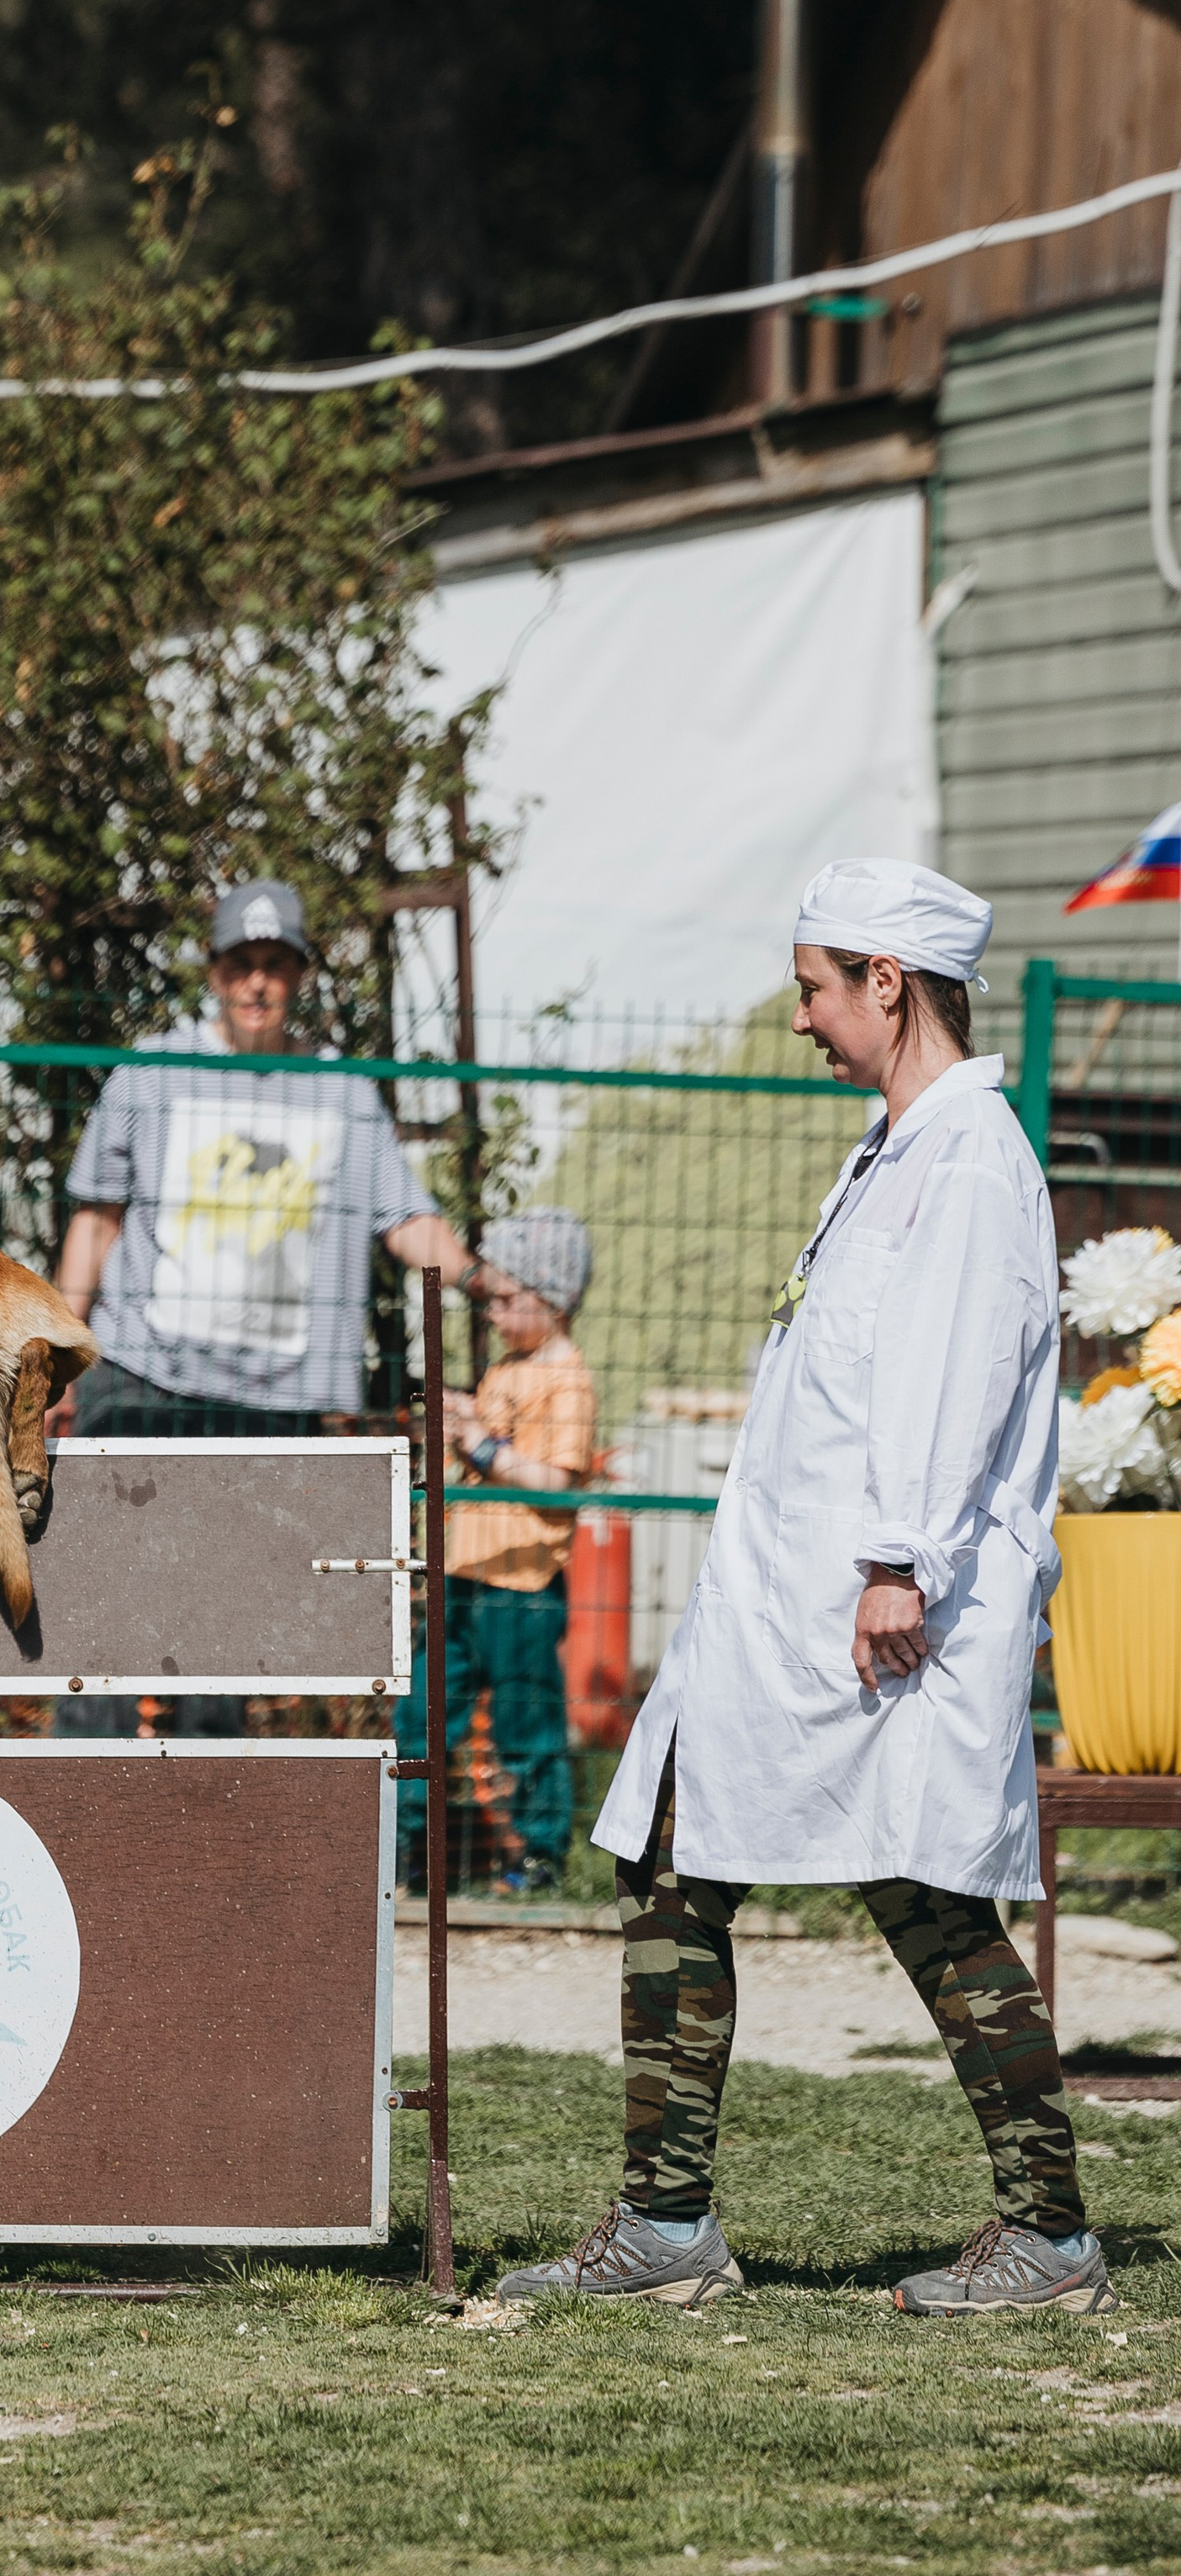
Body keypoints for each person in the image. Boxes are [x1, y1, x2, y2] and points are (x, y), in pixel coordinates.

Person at [502, 857, 1110, 2319]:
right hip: (784, 1604)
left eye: (814, 987)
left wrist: (899, 1561)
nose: (800, 1017)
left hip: (884, 1608)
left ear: (887, 985)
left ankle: (1051, 2238)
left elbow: (950, 1382)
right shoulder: (892, 1151)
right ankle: (664, 2222)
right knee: (671, 1848)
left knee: (929, 1893)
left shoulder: (967, 1165)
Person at [50, 878, 470, 1731]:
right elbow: (95, 1218)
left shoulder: (343, 1094)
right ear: (213, 972)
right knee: (100, 1605)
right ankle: (75, 1817)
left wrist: (478, 1274)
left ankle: (206, 1837)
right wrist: (54, 1356)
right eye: (242, 962)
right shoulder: (150, 1071)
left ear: (299, 977)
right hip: (139, 1376)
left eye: (276, 964)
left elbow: (405, 1218)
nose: (257, 983)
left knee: (223, 1630)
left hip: (271, 1400)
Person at [396, 1209, 596, 1897]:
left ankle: (542, 1854)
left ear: (555, 1297)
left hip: (521, 1582)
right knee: (420, 1712)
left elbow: (556, 1480)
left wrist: (480, 1442)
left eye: (511, 1298)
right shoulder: (507, 1370)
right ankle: (406, 1852)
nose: (497, 1312)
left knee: (524, 1718)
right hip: (462, 1576)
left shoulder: (566, 1380)